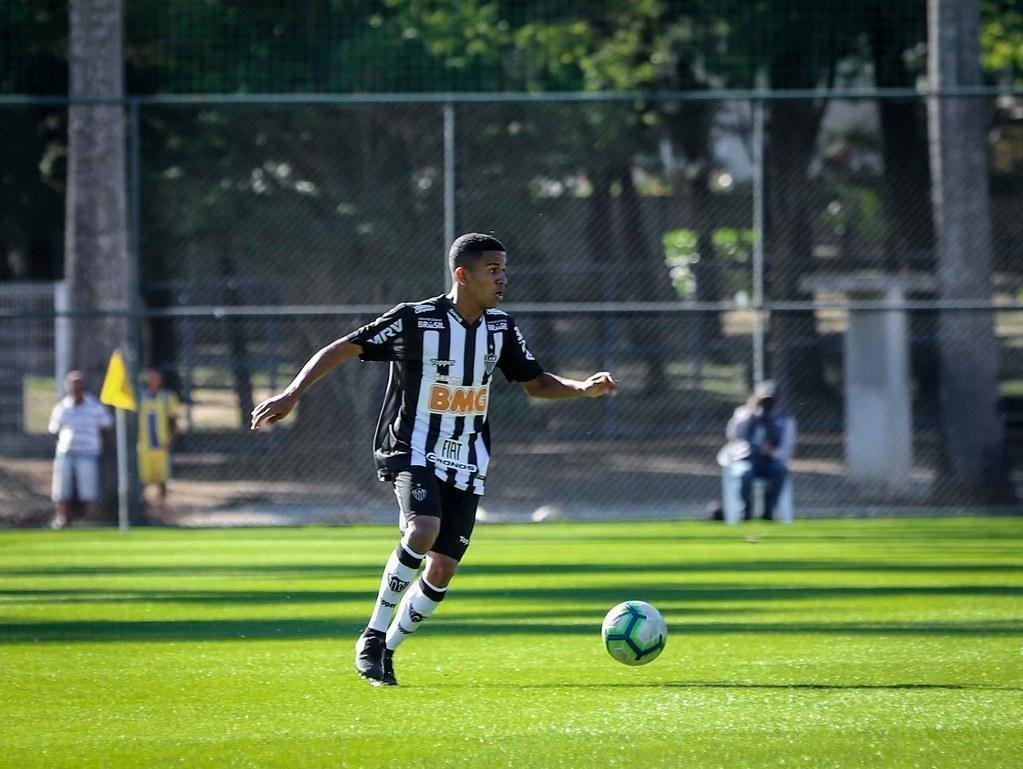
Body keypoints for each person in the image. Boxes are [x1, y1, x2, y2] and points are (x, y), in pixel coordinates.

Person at [250, 233, 617, 686]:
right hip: (412, 447)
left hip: (467, 458)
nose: (503, 279)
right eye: (493, 271)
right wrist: (291, 394)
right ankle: (371, 636)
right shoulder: (415, 320)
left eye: (504, 270)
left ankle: (385, 649)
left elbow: (535, 382)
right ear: (462, 275)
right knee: (423, 529)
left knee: (442, 568)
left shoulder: (500, 328)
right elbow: (343, 348)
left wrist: (582, 388)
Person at [47, 370, 113, 528]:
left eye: (78, 385)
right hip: (66, 452)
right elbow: (54, 430)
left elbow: (107, 427)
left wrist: (99, 444)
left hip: (88, 453)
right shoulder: (62, 407)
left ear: (84, 387)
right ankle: (62, 518)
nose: (75, 389)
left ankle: (91, 519)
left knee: (89, 488)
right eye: (72, 385)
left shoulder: (95, 406)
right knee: (62, 488)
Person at [724, 380, 796, 521]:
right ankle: (746, 512)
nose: (766, 404)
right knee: (745, 473)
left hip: (769, 461)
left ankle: (768, 512)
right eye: (763, 400)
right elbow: (732, 434)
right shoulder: (743, 413)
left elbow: (787, 450)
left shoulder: (785, 420)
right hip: (746, 459)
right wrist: (749, 412)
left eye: (770, 400)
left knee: (780, 471)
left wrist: (771, 452)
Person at [137, 368, 180, 512]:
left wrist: (169, 441)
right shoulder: (139, 397)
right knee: (142, 480)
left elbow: (174, 422)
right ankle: (144, 510)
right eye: (150, 378)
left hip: (161, 445)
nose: (153, 381)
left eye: (156, 378)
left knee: (162, 480)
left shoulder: (167, 397)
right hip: (143, 446)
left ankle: (162, 508)